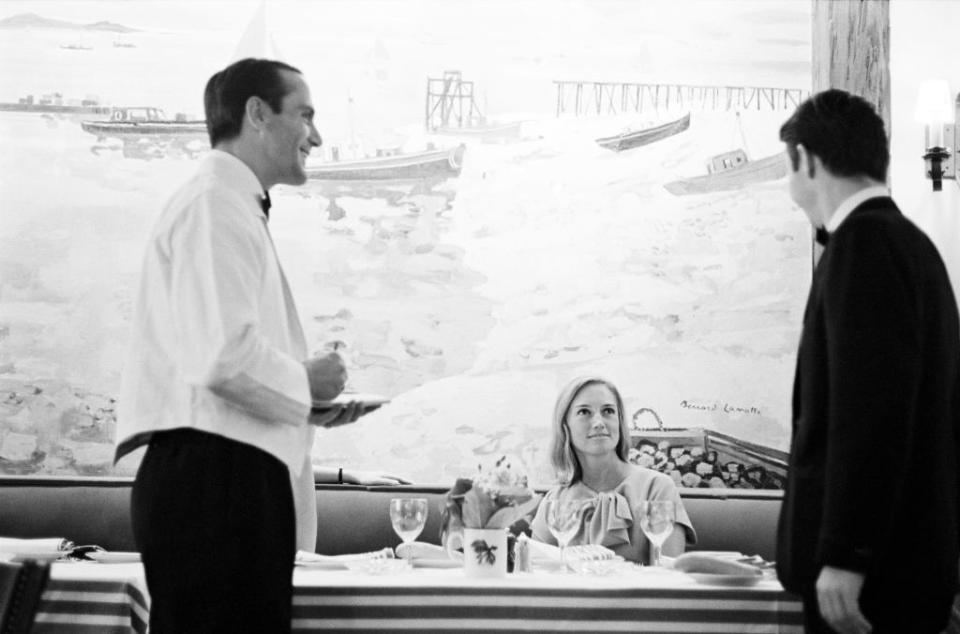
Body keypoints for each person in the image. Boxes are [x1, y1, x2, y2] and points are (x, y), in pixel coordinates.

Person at [114, 58, 366, 633]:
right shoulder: (214, 203)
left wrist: (307, 401)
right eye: (304, 114)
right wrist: (307, 381)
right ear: (257, 113)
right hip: (216, 490)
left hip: (222, 483)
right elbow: (222, 356)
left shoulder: (226, 202)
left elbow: (218, 360)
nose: (317, 136)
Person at [775, 88, 960, 634]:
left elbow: (872, 415)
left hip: (872, 579)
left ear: (808, 160)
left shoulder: (863, 249)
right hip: (911, 560)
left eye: (790, 170)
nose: (790, 190)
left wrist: (847, 554)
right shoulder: (915, 248)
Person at [530, 376, 696, 564]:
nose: (599, 422)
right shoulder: (554, 501)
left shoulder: (657, 488)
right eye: (584, 412)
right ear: (564, 426)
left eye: (608, 411)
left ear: (619, 421)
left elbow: (669, 576)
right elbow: (540, 576)